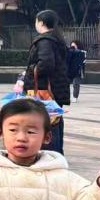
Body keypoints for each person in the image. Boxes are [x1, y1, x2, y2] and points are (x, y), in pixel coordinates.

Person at [22, 10, 70, 154]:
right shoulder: (57, 39)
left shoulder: (45, 41)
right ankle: (57, 154)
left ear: (41, 22)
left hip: (44, 91)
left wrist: (30, 70)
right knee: (55, 120)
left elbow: (46, 64)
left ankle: (50, 155)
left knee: (46, 122)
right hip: (56, 89)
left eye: (36, 21)